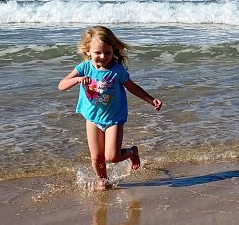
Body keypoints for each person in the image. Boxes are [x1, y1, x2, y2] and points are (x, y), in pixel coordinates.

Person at [58, 26, 163, 190]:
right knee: (96, 157)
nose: (103, 56)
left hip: (114, 118)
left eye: (107, 52)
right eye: (98, 53)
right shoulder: (84, 68)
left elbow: (132, 87)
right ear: (88, 51)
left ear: (113, 50)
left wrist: (151, 100)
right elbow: (61, 85)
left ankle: (131, 153)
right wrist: (77, 80)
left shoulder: (117, 71)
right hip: (92, 118)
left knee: (111, 156)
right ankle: (103, 181)